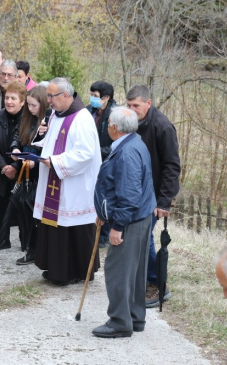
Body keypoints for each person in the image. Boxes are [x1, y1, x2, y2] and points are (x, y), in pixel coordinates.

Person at [92, 106, 156, 338]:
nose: (107, 125)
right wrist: (104, 210)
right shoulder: (134, 142)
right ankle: (135, 317)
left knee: (118, 270)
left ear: (115, 127)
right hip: (140, 217)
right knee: (135, 271)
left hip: (130, 220)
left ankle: (120, 321)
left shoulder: (128, 152)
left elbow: (129, 196)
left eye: (109, 122)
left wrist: (117, 226)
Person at [32, 77, 102, 285]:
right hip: (56, 180)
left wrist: (54, 161)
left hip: (75, 185)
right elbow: (52, 141)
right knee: (56, 225)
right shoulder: (56, 114)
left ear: (65, 96)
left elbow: (85, 154)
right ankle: (57, 269)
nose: (48, 101)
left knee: (72, 227)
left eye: (51, 96)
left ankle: (77, 271)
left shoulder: (82, 118)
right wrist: (37, 143)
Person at [126, 84, 181, 308]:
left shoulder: (162, 126)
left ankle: (158, 284)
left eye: (136, 105)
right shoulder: (132, 123)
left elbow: (171, 166)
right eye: (128, 105)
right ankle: (146, 279)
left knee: (145, 237)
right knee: (138, 237)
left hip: (154, 195)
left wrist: (164, 201)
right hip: (136, 192)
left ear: (148, 103)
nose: (131, 109)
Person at [10, 85, 51, 264]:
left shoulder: (49, 121)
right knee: (25, 214)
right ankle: (28, 247)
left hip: (41, 173)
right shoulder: (26, 118)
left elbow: (50, 146)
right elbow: (16, 136)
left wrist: (38, 160)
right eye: (28, 105)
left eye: (34, 105)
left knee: (38, 215)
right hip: (25, 171)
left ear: (42, 104)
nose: (30, 108)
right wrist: (15, 148)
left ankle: (38, 250)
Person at [0, 81, 26, 251]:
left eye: (13, 98)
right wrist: (4, 166)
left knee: (22, 208)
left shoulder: (28, 119)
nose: (9, 101)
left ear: (22, 101)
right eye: (7, 97)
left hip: (21, 171)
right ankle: (2, 239)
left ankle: (26, 241)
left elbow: (27, 145)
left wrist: (15, 166)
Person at [87, 80, 117, 248]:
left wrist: (97, 151)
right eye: (91, 95)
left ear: (106, 97)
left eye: (95, 96)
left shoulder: (115, 114)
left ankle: (104, 235)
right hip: (91, 162)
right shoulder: (88, 110)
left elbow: (117, 143)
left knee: (106, 198)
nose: (92, 99)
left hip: (107, 160)